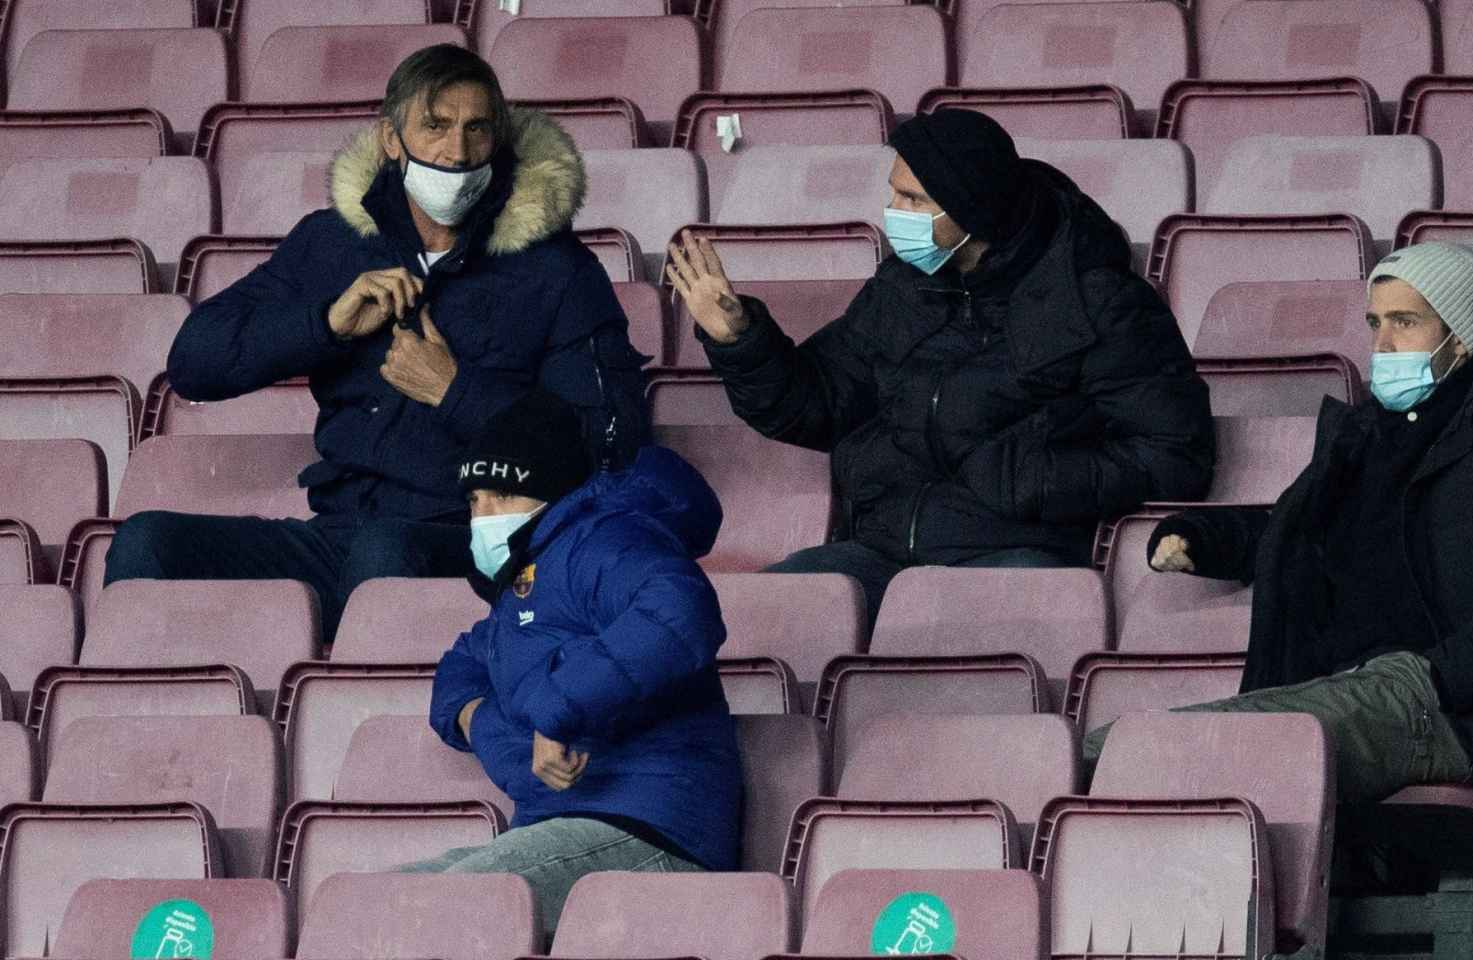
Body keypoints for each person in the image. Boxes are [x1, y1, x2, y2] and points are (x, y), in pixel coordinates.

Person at [103, 44, 648, 640]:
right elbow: (192, 364)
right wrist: (325, 325)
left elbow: (608, 446)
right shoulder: (332, 243)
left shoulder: (557, 270)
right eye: (435, 127)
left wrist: (455, 391)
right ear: (391, 139)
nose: (457, 151)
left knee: (384, 554)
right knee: (145, 543)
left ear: (500, 141)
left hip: (464, 540)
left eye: (476, 129)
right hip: (334, 534)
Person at [1086, 239, 1473, 804]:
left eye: (1405, 321)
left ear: (1462, 336)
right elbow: (1307, 530)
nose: (1382, 344)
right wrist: (1207, 538)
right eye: (1374, 323)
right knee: (1117, 748)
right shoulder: (1373, 436)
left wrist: (1438, 676)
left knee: (1184, 754)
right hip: (1360, 688)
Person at [667, 108, 1214, 613]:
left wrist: (1033, 480)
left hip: (1015, 553)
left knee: (953, 631)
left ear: (973, 209)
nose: (893, 215)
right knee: (745, 616)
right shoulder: (902, 288)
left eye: (914, 202)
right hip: (880, 552)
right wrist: (741, 341)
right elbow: (816, 405)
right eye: (894, 196)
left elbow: (1176, 455)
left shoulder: (1098, 301)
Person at [414, 390, 740, 937]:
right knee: (367, 903)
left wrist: (559, 711)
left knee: (441, 911)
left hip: (652, 824)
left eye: (503, 495)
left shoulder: (606, 540)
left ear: (547, 493)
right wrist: (483, 722)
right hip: (557, 827)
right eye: (475, 500)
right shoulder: (519, 589)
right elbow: (462, 666)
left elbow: (681, 613)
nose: (483, 516)